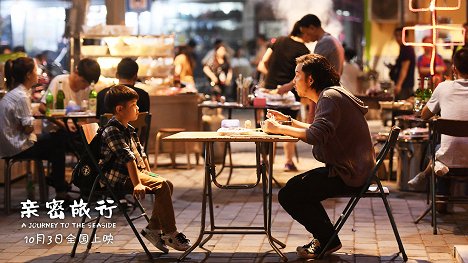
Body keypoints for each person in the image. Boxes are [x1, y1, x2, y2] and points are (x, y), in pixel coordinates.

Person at [262, 53, 375, 259]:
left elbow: (315, 135)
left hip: (350, 174)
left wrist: (279, 128)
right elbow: (319, 129)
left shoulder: (329, 97)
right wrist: (289, 121)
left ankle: (326, 240)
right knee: (297, 188)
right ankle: (326, 238)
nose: (294, 81)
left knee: (290, 193)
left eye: (297, 76)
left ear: (310, 79)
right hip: (354, 170)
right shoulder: (331, 94)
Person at [101, 85, 191, 253]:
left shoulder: (129, 129)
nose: (138, 108)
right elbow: (128, 159)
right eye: (134, 104)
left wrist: (149, 173)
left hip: (133, 173)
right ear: (120, 109)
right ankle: (170, 233)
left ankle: (153, 229)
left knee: (166, 184)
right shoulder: (112, 130)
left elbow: (141, 156)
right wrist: (138, 184)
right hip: (120, 177)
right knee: (162, 185)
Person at [0, 57, 69, 202]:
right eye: (35, 70)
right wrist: (29, 122)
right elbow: (27, 129)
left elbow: (22, 125)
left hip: (9, 143)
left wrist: (28, 121)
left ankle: (57, 183)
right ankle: (60, 188)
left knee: (56, 142)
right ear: (28, 75)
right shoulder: (21, 96)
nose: (38, 73)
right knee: (59, 139)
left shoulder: (15, 93)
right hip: (17, 146)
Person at [407, 49, 468, 204]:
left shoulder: (443, 88)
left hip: (448, 159)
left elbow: (424, 115)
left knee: (437, 146)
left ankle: (440, 198)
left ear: (454, 68)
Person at [257, 14, 314, 171]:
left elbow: (263, 63)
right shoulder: (304, 50)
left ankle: (265, 161)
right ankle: (288, 161)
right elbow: (301, 76)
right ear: (304, 32)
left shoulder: (279, 40)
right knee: (288, 123)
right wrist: (288, 85)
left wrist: (272, 77)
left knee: (268, 124)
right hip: (289, 92)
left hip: (269, 90)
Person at [39, 58, 100, 131]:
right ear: (76, 72)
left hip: (75, 130)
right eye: (83, 81)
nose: (86, 86)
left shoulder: (88, 89)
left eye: (89, 83)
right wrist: (63, 125)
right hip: (55, 130)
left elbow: (85, 114)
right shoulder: (59, 81)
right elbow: (42, 107)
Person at [391, 27, 416, 100]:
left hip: (405, 87)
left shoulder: (406, 49)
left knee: (401, 109)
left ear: (406, 36)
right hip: (405, 86)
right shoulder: (404, 48)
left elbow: (404, 69)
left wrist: (399, 85)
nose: (398, 38)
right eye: (396, 35)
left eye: (400, 35)